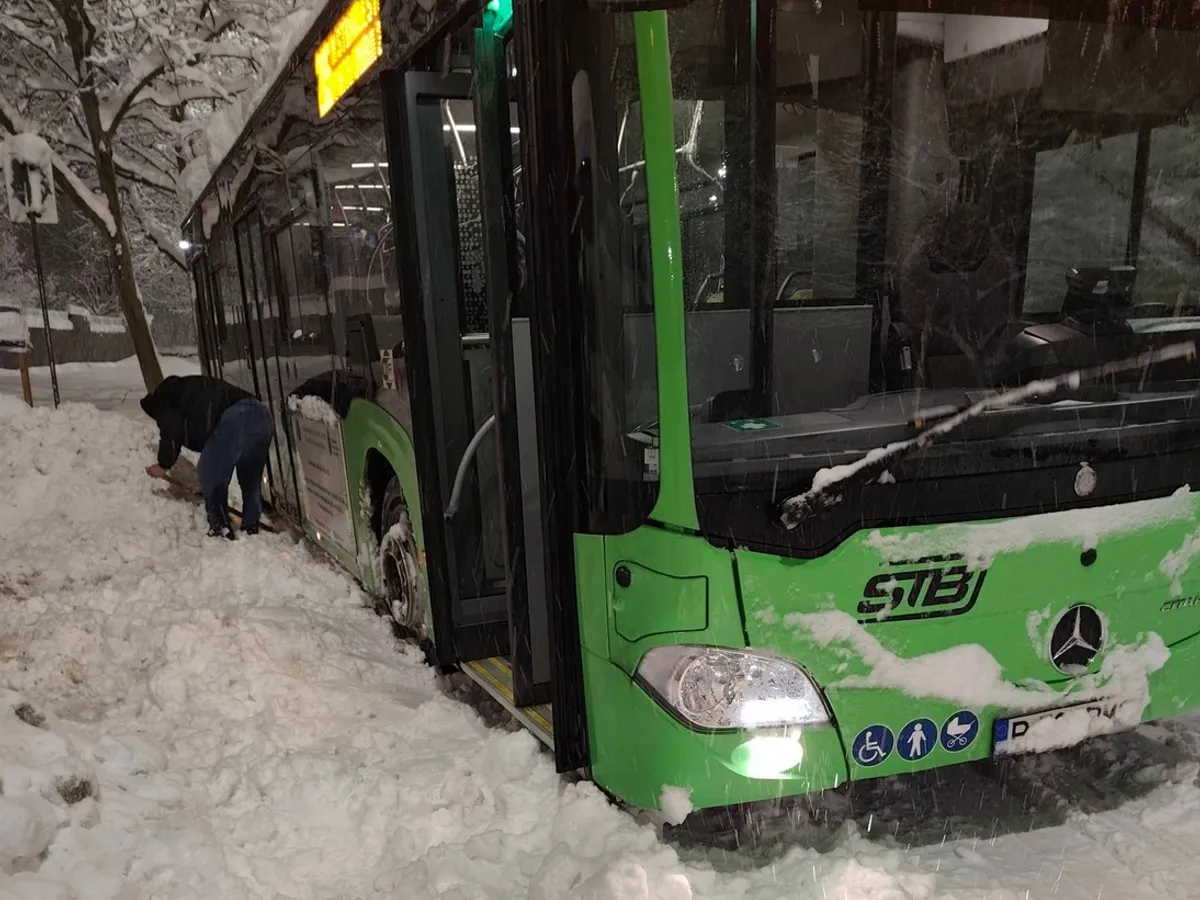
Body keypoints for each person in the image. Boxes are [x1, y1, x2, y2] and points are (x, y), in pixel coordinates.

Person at [140, 374, 275, 539]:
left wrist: (163, 465)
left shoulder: (167, 399)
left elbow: (172, 433)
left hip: (240, 414)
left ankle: (220, 528)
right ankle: (251, 527)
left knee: (209, 470)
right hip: (262, 416)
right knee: (250, 477)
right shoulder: (189, 395)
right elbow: (214, 446)